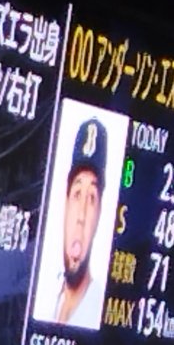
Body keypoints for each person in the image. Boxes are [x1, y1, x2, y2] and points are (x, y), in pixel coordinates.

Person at [48, 118, 108, 327]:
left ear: (99, 214)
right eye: (76, 194)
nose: (81, 216)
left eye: (91, 198)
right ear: (65, 204)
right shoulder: (48, 297)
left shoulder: (100, 311)